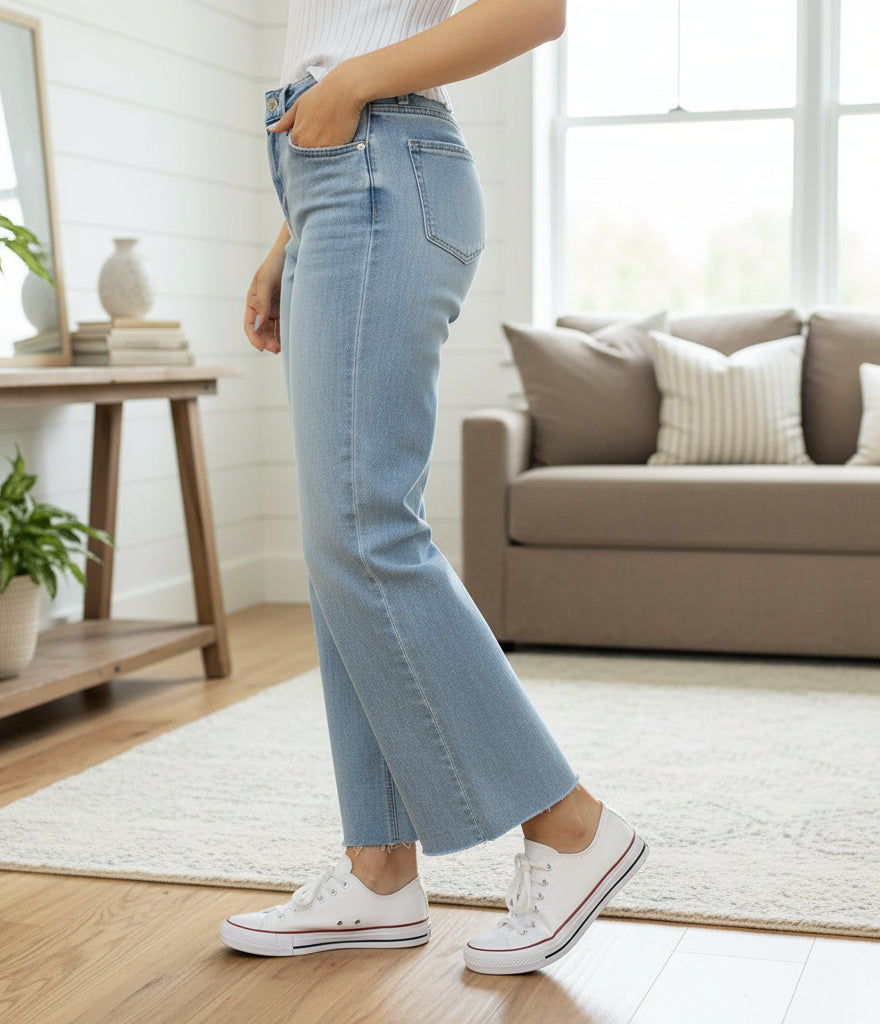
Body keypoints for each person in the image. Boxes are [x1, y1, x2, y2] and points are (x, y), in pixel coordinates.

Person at [222, 0, 648, 975]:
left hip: (380, 159)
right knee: (341, 541)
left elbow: (533, 11)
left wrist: (352, 91)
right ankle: (378, 872)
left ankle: (569, 825)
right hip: (338, 180)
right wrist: (293, 230)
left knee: (365, 531)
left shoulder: (370, 101)